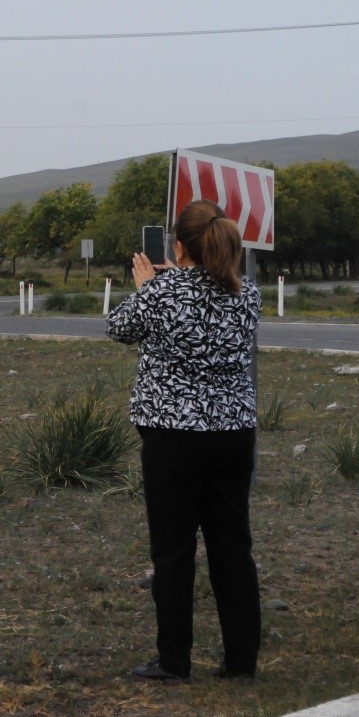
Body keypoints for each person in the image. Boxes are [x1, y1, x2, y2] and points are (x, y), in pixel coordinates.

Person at [106, 199, 262, 685]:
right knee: (232, 547)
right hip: (234, 434)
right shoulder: (250, 294)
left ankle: (174, 660)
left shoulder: (162, 291)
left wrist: (150, 286)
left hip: (173, 438)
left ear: (178, 246)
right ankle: (241, 662)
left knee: (173, 552)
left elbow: (117, 329)